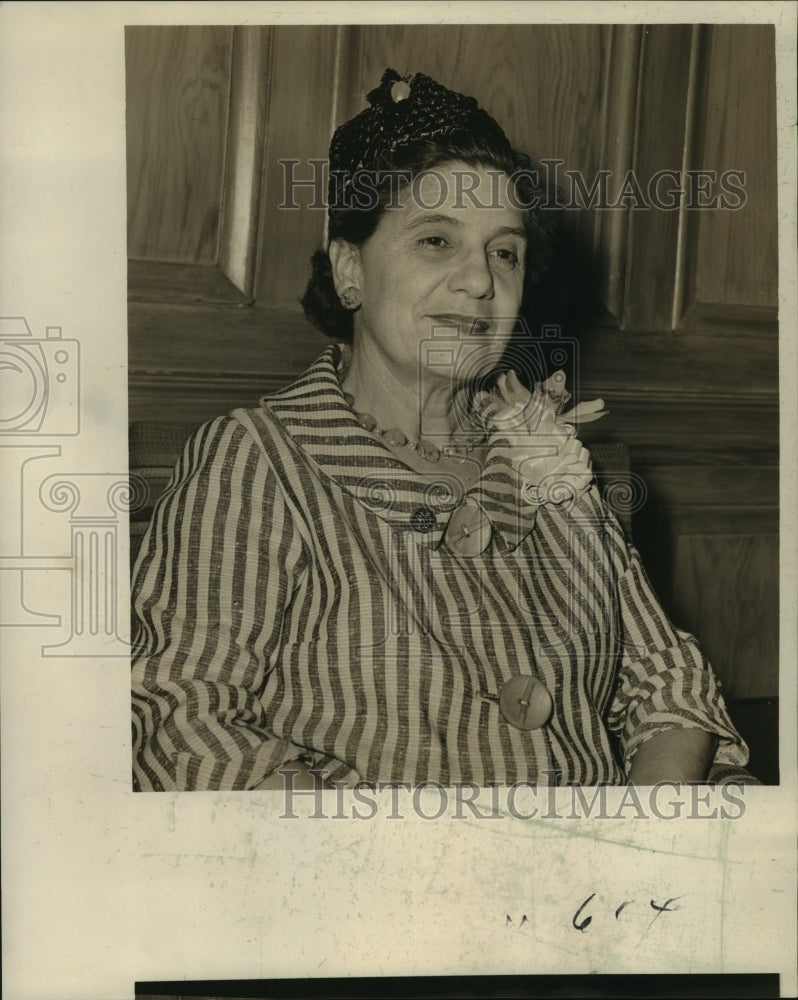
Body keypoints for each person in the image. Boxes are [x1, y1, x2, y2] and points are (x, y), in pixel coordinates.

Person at [131, 69, 752, 791]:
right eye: (435, 240)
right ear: (349, 270)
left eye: (505, 251)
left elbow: (668, 683)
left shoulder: (542, 454)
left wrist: (643, 849)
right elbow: (184, 720)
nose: (481, 281)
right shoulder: (259, 460)